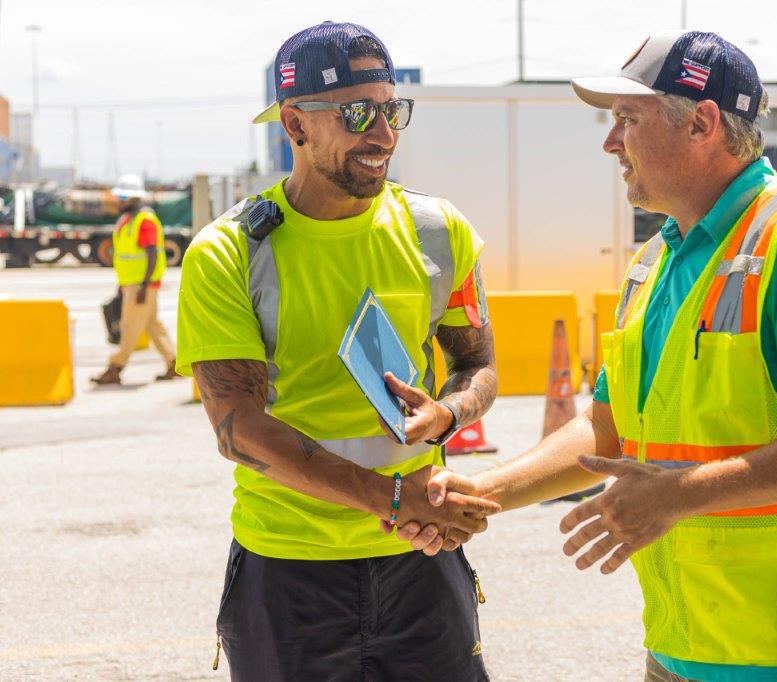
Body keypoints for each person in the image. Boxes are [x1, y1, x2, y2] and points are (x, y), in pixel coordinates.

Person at [402, 31, 777, 682]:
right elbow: (606, 426)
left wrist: (678, 496)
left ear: (702, 122)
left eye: (628, 120)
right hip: (679, 641)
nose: (611, 143)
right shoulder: (653, 264)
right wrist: (483, 492)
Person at [176, 21, 499, 681]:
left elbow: (479, 365)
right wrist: (387, 498)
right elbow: (238, 432)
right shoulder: (231, 252)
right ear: (295, 125)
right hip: (289, 569)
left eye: (391, 108)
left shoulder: (439, 232)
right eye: (359, 113)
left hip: (422, 556)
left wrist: (449, 415)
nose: (383, 133)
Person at [90, 173, 177, 385]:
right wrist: (122, 285)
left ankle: (115, 367)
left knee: (129, 328)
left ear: (134, 198)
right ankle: (174, 362)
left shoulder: (144, 221)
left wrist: (144, 286)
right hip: (133, 283)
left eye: (123, 197)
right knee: (152, 325)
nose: (119, 201)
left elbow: (152, 254)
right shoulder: (128, 220)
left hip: (141, 285)